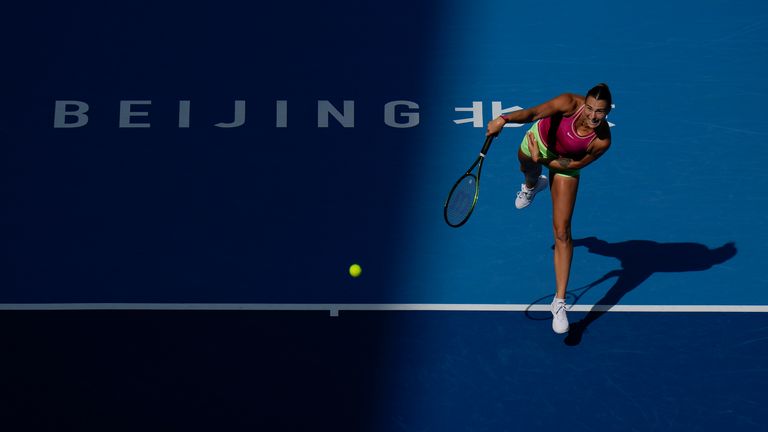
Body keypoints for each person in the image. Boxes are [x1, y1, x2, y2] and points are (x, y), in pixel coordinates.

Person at [485, 83, 613, 334]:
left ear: (608, 111)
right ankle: (533, 184)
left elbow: (571, 164)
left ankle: (559, 302)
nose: (593, 115)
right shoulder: (568, 102)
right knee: (527, 169)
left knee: (562, 231)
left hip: (564, 165)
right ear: (582, 104)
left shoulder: (602, 141)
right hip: (539, 141)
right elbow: (533, 114)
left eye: (600, 111)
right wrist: (503, 119)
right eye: (589, 108)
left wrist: (541, 159)